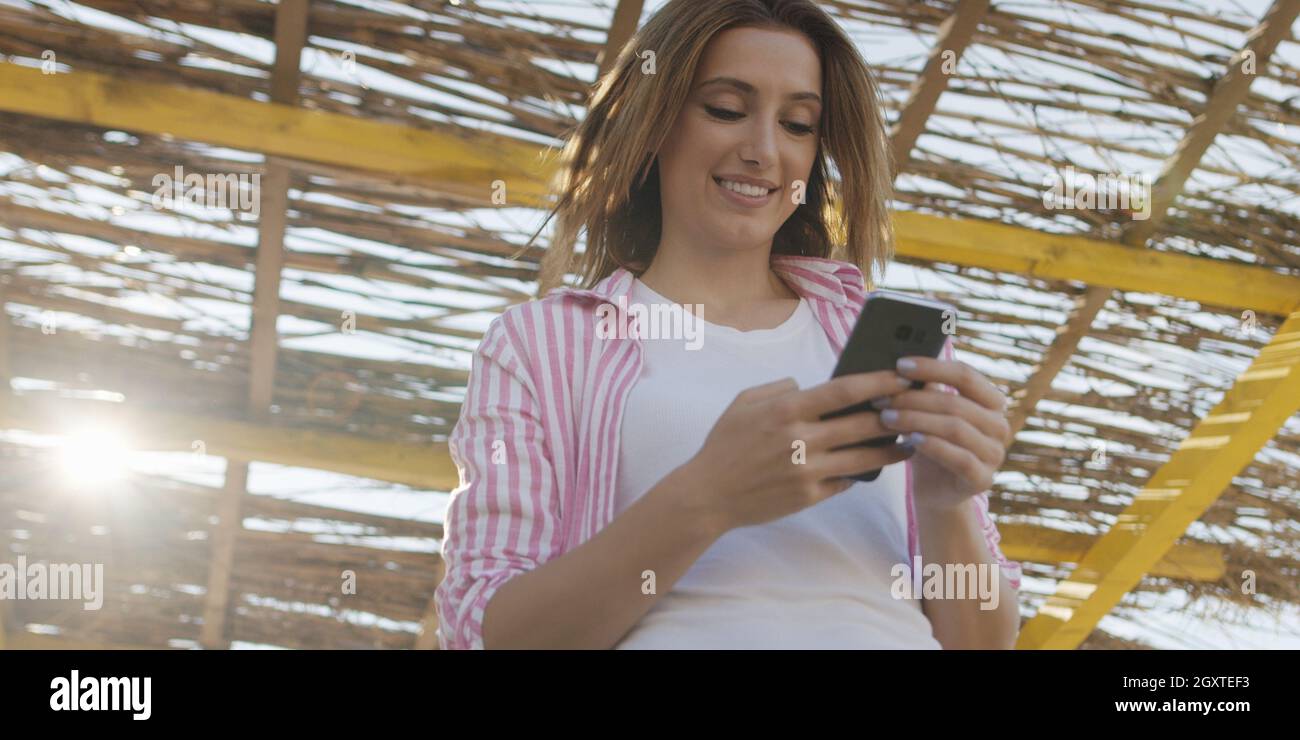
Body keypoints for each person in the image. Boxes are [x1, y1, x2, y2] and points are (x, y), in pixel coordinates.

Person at [434, 0, 1022, 650]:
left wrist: (944, 507)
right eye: (725, 109)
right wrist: (708, 495)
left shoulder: (869, 339)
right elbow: (495, 634)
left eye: (799, 124)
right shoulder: (539, 346)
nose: (763, 150)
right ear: (655, 123)